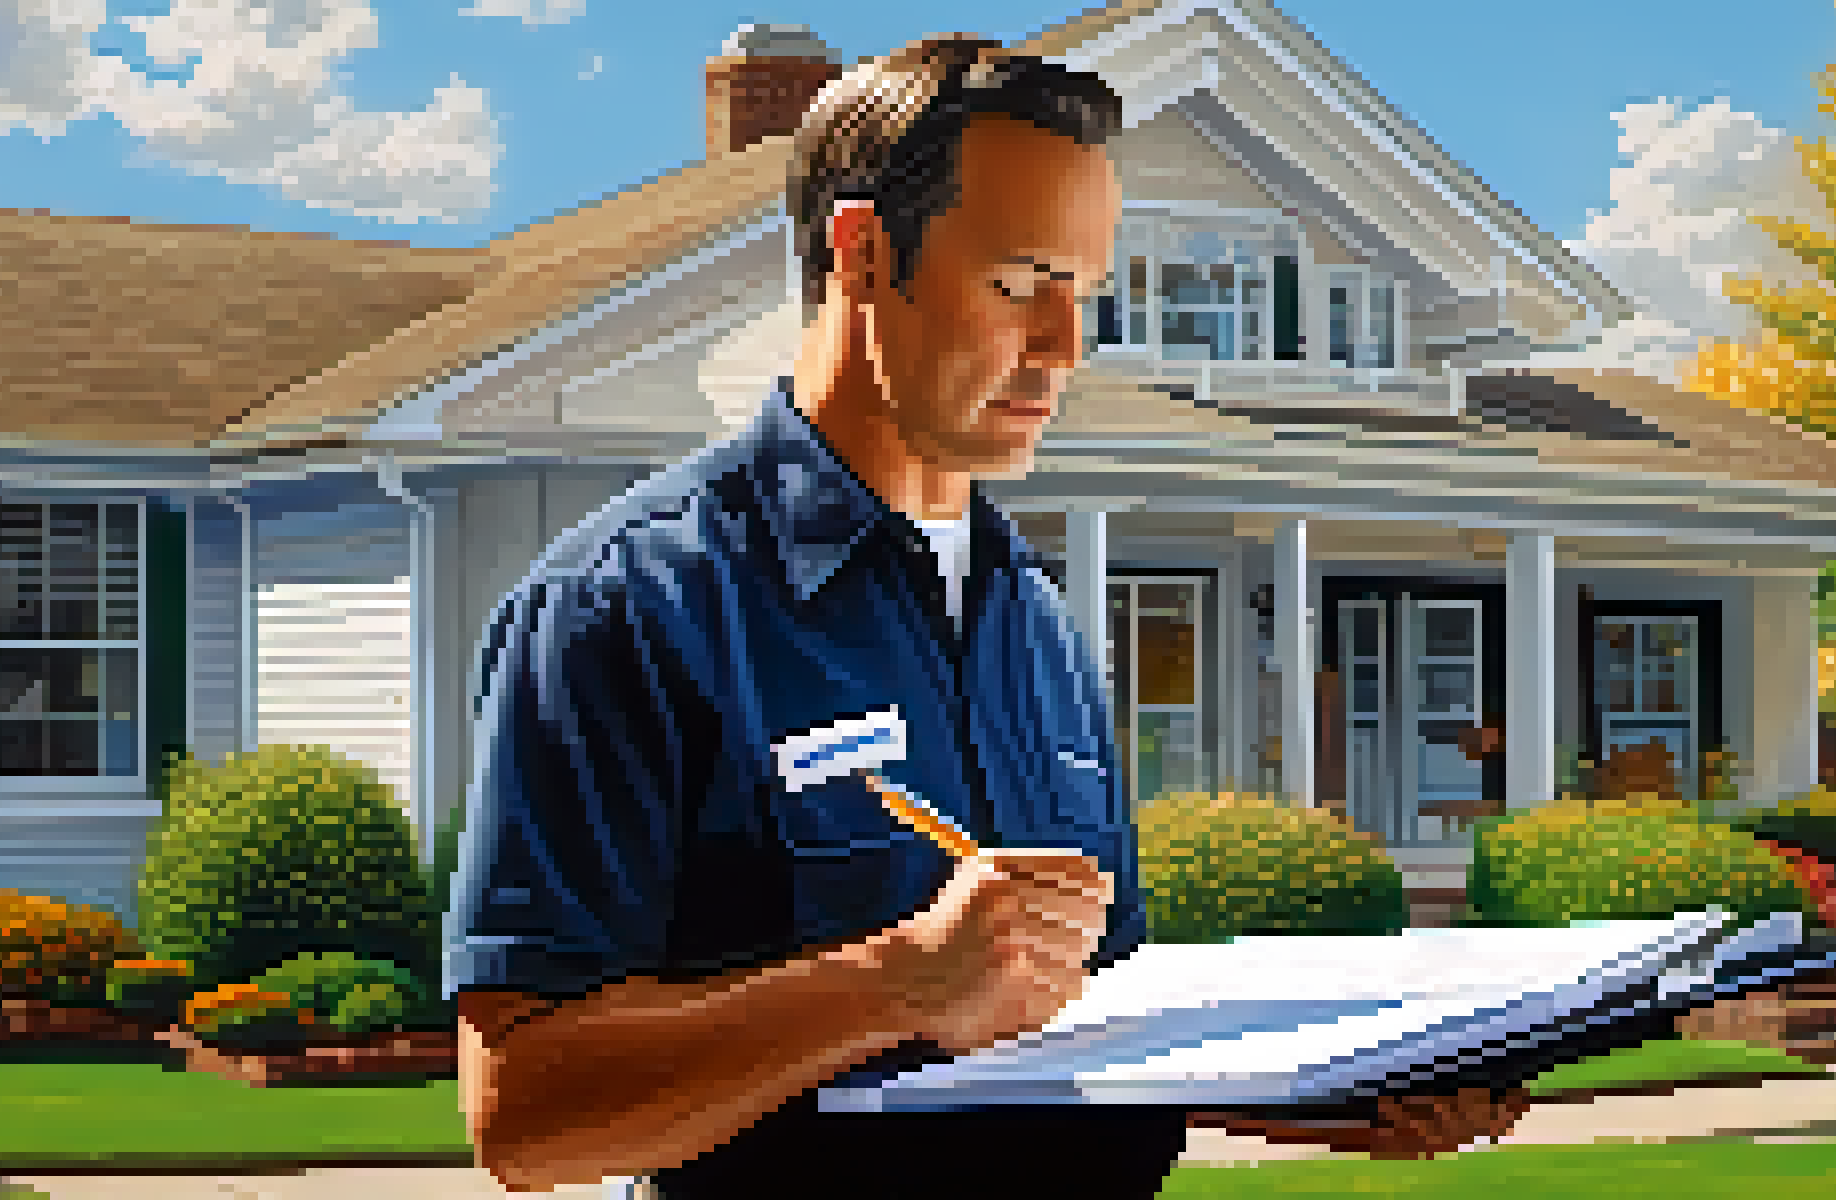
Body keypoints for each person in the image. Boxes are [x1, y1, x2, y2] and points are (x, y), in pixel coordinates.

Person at [445, 35, 1530, 1199]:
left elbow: (1078, 1025)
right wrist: (895, 980)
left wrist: (1337, 1093)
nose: (1064, 348)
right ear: (862, 255)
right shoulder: (628, 604)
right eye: (1018, 284)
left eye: (1084, 294)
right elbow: (524, 1109)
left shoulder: (1039, 623)